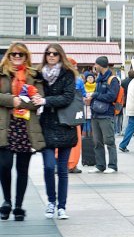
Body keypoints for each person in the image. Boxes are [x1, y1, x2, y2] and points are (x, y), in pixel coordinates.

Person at [32, 44, 78, 220]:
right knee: (49, 166)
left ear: (60, 56)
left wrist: (44, 101)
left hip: (65, 124)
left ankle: (62, 206)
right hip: (45, 125)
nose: (51, 56)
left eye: (55, 53)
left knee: (63, 169)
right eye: (48, 53)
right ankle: (51, 202)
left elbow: (67, 98)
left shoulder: (67, 74)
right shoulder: (39, 74)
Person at [0, 43, 45, 221]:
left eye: (21, 54)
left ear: (26, 57)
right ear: (9, 56)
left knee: (22, 169)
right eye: (14, 54)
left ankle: (18, 206)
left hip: (26, 127)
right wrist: (13, 100)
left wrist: (21, 102)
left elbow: (37, 100)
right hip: (6, 126)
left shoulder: (33, 76)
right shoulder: (2, 73)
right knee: (4, 165)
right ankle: (7, 201)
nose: (17, 57)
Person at [85, 56, 120, 174]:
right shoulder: (99, 78)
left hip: (106, 114)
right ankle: (100, 165)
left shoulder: (112, 79)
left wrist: (95, 95)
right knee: (97, 142)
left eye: (96, 64)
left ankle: (113, 165)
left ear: (101, 65)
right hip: (95, 114)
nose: (94, 66)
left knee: (109, 141)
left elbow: (112, 96)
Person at [67, 59, 86, 174]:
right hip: (74, 114)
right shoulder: (78, 80)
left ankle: (67, 164)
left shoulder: (61, 79)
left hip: (65, 114)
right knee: (75, 139)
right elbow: (83, 96)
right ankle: (72, 165)